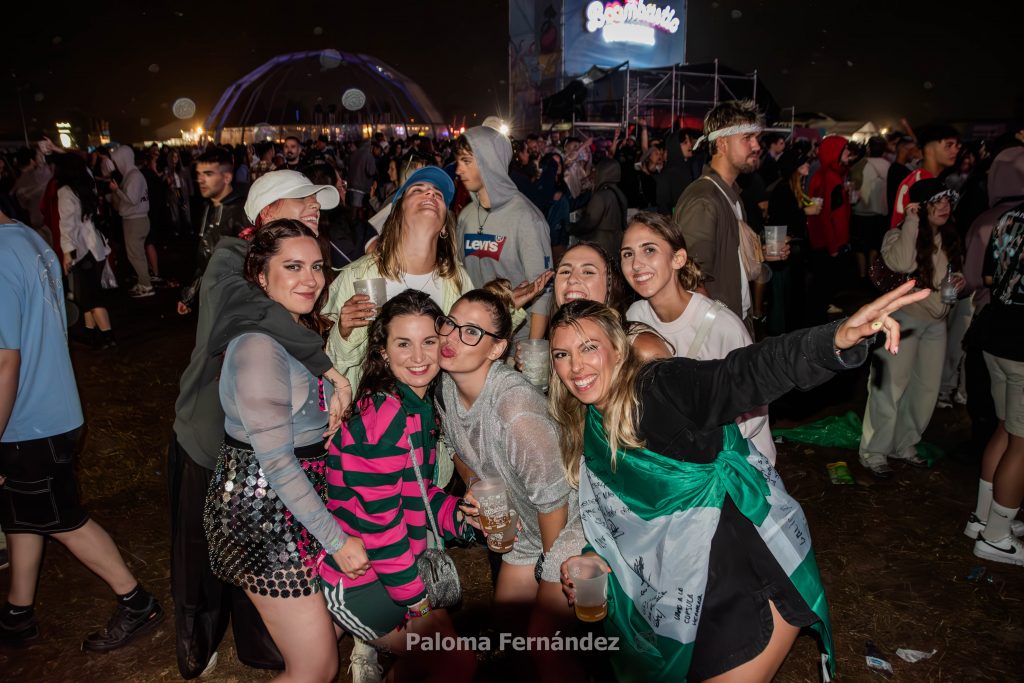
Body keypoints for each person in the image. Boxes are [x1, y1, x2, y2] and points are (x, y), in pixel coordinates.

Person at [551, 282, 930, 682]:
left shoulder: (656, 387)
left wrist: (833, 339)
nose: (576, 367)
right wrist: (593, 557)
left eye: (588, 347)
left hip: (746, 585)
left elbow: (741, 373)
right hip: (684, 587)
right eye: (562, 354)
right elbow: (622, 516)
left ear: (617, 349)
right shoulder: (590, 423)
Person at [169, 174, 345, 678]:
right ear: (265, 213)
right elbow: (256, 313)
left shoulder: (293, 274)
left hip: (266, 447)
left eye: (318, 205)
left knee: (272, 585)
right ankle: (197, 650)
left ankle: (276, 649)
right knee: (201, 561)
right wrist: (329, 369)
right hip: (210, 437)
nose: (314, 210)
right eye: (302, 202)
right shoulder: (231, 258)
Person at [203, 220, 370, 682]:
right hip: (263, 516)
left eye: (316, 266)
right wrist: (337, 541)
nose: (310, 279)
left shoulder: (291, 329)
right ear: (261, 276)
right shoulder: (259, 347)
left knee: (334, 624)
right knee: (315, 667)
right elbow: (276, 462)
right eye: (293, 267)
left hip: (296, 503)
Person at [0, 212, 164, 650]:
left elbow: (4, 361)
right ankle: (18, 612)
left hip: (27, 419)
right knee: (25, 514)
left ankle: (136, 602)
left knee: (63, 519)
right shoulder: (28, 239)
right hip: (53, 408)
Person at [319, 290, 476, 681]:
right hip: (359, 580)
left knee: (442, 663)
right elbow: (381, 527)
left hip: (397, 566)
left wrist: (461, 517)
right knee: (454, 664)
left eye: (429, 342)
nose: (419, 357)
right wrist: (417, 602)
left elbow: (417, 492)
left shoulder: (414, 406)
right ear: (383, 352)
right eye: (403, 344)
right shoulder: (384, 417)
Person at [435, 282, 586, 679]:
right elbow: (457, 449)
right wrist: (476, 489)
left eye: (471, 332)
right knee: (507, 634)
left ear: (497, 348)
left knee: (544, 641)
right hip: (524, 528)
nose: (451, 337)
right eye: (449, 324)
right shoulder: (446, 388)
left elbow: (555, 501)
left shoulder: (515, 411)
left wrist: (548, 573)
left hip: (572, 524)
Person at [621, 212, 778, 465]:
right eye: (628, 254)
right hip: (674, 463)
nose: (636, 264)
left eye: (649, 250)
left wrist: (698, 445)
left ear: (678, 259)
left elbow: (755, 408)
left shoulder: (723, 326)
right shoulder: (634, 317)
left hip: (734, 464)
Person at [859, 179, 964, 478]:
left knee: (926, 389)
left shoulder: (948, 238)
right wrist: (912, 222)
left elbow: (952, 275)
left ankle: (904, 443)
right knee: (889, 387)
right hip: (902, 321)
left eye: (948, 201)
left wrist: (961, 281)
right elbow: (902, 263)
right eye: (937, 201)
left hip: (936, 323)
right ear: (919, 207)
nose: (944, 207)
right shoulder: (898, 234)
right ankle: (874, 452)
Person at [673, 101, 787, 324]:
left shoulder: (731, 195)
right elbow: (690, 277)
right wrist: (719, 328)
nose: (757, 146)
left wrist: (761, 252)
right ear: (722, 143)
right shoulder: (704, 199)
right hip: (718, 329)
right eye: (747, 138)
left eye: (756, 138)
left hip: (737, 319)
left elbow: (728, 253)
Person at [965, 198, 1024, 565]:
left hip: (996, 330)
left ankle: (985, 517)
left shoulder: (1010, 215)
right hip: (1020, 345)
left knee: (1006, 428)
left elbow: (990, 277)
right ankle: (996, 537)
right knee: (1022, 443)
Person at [455, 125, 554, 341]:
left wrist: (532, 350)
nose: (458, 170)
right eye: (458, 161)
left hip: (516, 341)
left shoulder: (527, 218)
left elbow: (542, 290)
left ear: (488, 162)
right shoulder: (465, 216)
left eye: (466, 161)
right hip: (473, 335)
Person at [553, 241, 671, 360]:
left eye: (588, 272)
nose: (572, 279)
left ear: (611, 286)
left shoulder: (642, 349)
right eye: (565, 272)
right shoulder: (556, 343)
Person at [55, 154, 116, 349]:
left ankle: (107, 337)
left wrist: (67, 253)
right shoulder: (87, 185)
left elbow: (67, 225)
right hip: (96, 246)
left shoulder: (66, 191)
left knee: (91, 296)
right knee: (87, 294)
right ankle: (91, 333)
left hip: (82, 249)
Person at [179, 148, 247, 315]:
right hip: (213, 300)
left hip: (235, 302)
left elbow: (251, 263)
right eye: (199, 174)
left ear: (227, 177)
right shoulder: (209, 208)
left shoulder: (241, 213)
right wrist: (190, 295)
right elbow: (205, 258)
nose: (201, 179)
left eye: (208, 174)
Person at [806, 135, 853, 321]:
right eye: (844, 149)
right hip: (828, 242)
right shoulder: (830, 177)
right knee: (823, 285)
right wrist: (833, 246)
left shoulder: (829, 174)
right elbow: (825, 215)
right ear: (835, 152)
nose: (848, 152)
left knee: (822, 284)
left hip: (825, 241)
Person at [890, 124, 960, 228]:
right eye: (948, 145)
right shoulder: (916, 182)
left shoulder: (940, 180)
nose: (956, 150)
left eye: (957, 146)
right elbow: (901, 225)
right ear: (929, 149)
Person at [109, 145, 154, 298]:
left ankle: (146, 286)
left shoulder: (134, 176)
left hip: (135, 220)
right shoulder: (132, 175)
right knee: (137, 254)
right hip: (135, 220)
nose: (116, 165)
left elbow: (132, 199)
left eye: (117, 161)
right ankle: (143, 283)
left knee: (136, 255)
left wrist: (116, 190)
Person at [569, 158, 627, 260]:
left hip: (601, 247)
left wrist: (571, 227)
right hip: (615, 245)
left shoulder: (601, 196)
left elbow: (589, 223)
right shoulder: (620, 194)